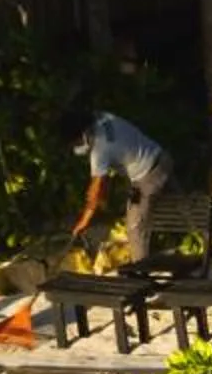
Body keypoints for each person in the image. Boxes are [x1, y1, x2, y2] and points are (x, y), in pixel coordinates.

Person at [70, 109, 171, 269]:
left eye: (75, 142)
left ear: (84, 134)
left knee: (135, 225)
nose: (76, 147)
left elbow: (96, 192)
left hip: (149, 174)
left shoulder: (100, 150)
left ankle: (141, 271)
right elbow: (103, 182)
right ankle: (210, 230)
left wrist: (83, 222)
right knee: (179, 206)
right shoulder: (103, 117)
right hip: (160, 156)